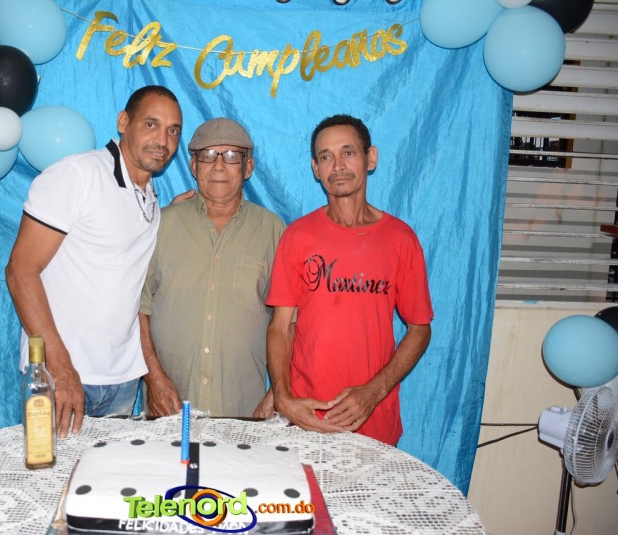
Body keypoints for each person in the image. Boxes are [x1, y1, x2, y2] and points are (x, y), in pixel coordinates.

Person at [5, 85, 183, 438]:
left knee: (106, 475)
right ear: (123, 122)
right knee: (51, 472)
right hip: (61, 377)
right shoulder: (78, 174)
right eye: (151, 124)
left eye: (173, 130)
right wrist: (60, 366)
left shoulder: (148, 196)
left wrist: (177, 213)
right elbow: (20, 271)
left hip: (122, 381)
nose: (163, 140)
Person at [265, 114, 433, 445]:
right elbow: (280, 328)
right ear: (316, 169)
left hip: (373, 419)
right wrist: (283, 398)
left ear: (371, 158)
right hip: (306, 417)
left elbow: (420, 330)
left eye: (348, 152)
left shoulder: (400, 239)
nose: (338, 166)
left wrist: (374, 392)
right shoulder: (298, 237)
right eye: (326, 157)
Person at [139, 118, 285, 418]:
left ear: (248, 167)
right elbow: (136, 308)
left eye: (231, 156)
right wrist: (153, 378)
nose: (219, 166)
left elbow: (290, 323)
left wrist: (277, 394)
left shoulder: (273, 231)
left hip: (244, 410)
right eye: (207, 155)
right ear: (194, 166)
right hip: (168, 406)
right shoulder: (161, 225)